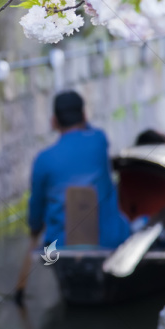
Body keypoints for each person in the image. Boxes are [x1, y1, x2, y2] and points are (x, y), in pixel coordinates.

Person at [27, 91, 132, 250]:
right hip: (107, 240)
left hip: (61, 245)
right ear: (84, 115)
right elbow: (89, 128)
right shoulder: (99, 140)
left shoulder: (43, 159)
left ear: (54, 122)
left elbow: (36, 212)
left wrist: (35, 228)